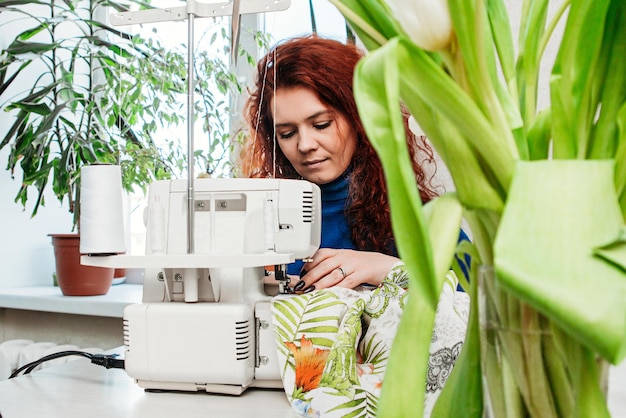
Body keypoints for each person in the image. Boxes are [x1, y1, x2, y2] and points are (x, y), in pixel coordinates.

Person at [241, 35, 467, 293]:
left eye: (321, 125)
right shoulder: (262, 218)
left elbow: (481, 311)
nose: (305, 144)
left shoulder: (425, 219)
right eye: (287, 133)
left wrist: (388, 270)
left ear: (358, 119)